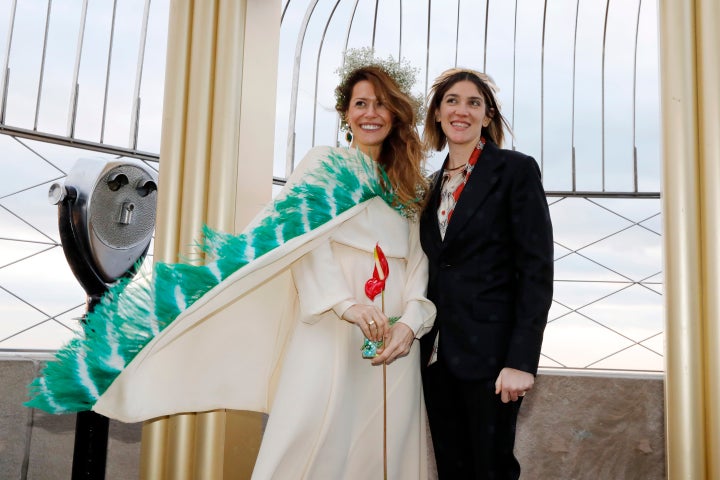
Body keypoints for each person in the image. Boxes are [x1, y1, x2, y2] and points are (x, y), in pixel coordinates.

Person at [28, 54, 436, 479]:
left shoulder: (408, 185)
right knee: (308, 433)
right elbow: (299, 242)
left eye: (381, 104)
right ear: (345, 114)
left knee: (387, 445)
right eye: (360, 104)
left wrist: (409, 322)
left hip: (393, 337)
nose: (371, 113)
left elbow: (420, 259)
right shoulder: (323, 163)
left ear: (396, 113)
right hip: (333, 321)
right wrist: (346, 304)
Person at [418, 68, 554, 479]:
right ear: (438, 115)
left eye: (474, 102)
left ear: (488, 116)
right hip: (436, 358)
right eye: (452, 101)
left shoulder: (515, 171)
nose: (462, 110)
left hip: (493, 358)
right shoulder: (428, 186)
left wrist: (521, 359)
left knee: (491, 469)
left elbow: (536, 270)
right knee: (452, 470)